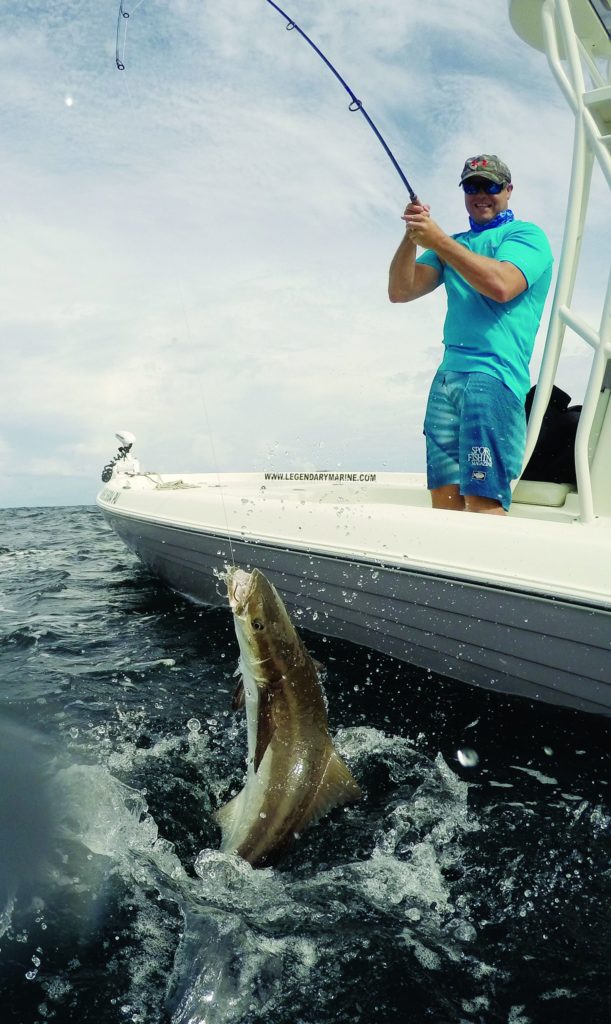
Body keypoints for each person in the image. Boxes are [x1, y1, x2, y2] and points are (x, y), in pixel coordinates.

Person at [388, 154, 553, 515]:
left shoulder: (526, 235)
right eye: (472, 186)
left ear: (508, 190)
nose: (481, 194)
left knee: (482, 500)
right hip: (447, 380)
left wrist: (440, 241)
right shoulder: (454, 244)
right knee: (444, 503)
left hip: (492, 378)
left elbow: (502, 284)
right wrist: (413, 235)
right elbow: (401, 290)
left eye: (490, 186)